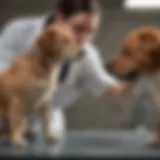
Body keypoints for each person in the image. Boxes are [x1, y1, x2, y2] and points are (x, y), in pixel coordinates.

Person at [0, 0, 134, 140]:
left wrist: (132, 77)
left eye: (91, 32)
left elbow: (110, 87)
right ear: (59, 18)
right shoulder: (19, 31)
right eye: (78, 28)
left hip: (46, 125)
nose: (83, 39)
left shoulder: (86, 55)